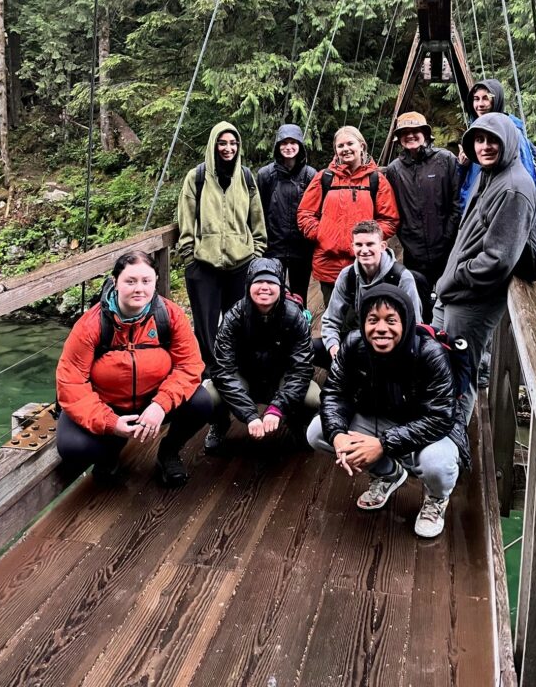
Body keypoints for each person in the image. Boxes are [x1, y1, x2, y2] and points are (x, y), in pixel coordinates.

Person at [307, 284, 470, 539]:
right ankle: (388, 473)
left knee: (437, 464)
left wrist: (383, 444)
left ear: (405, 321)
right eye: (373, 320)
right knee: (318, 431)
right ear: (363, 323)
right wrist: (338, 434)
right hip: (380, 418)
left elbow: (441, 417)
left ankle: (436, 499)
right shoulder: (353, 345)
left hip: (429, 428)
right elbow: (334, 394)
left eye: (390, 320)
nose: (381, 328)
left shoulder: (430, 353)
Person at [56, 250, 212, 487]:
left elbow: (189, 366)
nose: (139, 288)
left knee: (202, 402)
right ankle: (110, 454)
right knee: (72, 447)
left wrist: (161, 405)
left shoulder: (169, 316)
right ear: (115, 282)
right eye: (130, 281)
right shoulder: (90, 325)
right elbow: (71, 383)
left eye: (146, 281)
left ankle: (168, 453)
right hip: (107, 402)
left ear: (155, 282)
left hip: (154, 399)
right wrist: (110, 422)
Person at [434, 112, 536, 422]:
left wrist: (456, 276)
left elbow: (497, 260)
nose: (485, 146)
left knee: (459, 374)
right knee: (446, 365)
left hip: (472, 300)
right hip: (456, 292)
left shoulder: (514, 189)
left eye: (493, 140)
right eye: (479, 139)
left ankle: (452, 441)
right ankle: (438, 426)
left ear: (508, 142)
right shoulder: (488, 174)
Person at [203, 256, 319, 453]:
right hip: (244, 377)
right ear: (248, 285)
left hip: (280, 377)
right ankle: (219, 424)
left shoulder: (295, 316)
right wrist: (250, 415)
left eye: (271, 282)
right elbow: (222, 370)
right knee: (207, 395)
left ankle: (296, 422)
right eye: (259, 281)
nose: (265, 287)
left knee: (315, 398)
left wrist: (277, 408)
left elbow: (302, 370)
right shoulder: (234, 316)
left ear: (281, 287)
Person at [177, 121, 267, 370]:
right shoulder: (196, 178)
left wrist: (256, 253)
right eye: (222, 142)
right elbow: (186, 217)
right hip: (204, 263)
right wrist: (189, 257)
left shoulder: (246, 177)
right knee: (205, 323)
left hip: (241, 262)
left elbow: (257, 219)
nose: (228, 148)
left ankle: (235, 367)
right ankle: (210, 370)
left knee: (239, 319)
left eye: (233, 143)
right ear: (213, 144)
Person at [297, 125, 399, 304]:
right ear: (336, 151)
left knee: (366, 317)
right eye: (340, 146)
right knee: (334, 318)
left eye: (350, 143)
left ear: (361, 146)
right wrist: (322, 234)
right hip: (328, 263)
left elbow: (389, 219)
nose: (345, 149)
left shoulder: (376, 180)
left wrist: (369, 242)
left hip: (365, 263)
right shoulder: (324, 178)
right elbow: (305, 213)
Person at [385, 111, 462, 320]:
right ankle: (424, 342)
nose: (410, 135)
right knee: (418, 300)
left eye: (415, 131)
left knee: (448, 299)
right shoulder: (394, 169)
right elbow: (392, 209)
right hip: (413, 251)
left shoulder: (445, 160)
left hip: (446, 247)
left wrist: (448, 236)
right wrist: (406, 238)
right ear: (399, 138)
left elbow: (457, 201)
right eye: (404, 132)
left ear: (426, 134)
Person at [316, 220, 423, 367]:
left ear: (383, 246)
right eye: (359, 245)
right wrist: (334, 348)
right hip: (359, 339)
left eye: (370, 244)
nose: (364, 250)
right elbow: (330, 320)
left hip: (391, 343)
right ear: (352, 247)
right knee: (313, 348)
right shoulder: (347, 275)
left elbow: (415, 325)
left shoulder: (401, 277)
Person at [256, 123, 317, 304]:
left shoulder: (310, 175)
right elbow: (260, 209)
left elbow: (315, 211)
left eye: (293, 143)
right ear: (277, 146)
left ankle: (301, 329)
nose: (288, 147)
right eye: (284, 143)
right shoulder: (266, 175)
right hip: (274, 248)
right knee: (273, 294)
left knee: (300, 296)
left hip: (301, 248)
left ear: (300, 146)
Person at [458, 79, 536, 211]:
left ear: (496, 100)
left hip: (502, 210)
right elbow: (471, 182)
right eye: (476, 99)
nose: (480, 104)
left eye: (485, 98)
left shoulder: (512, 133)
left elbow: (527, 175)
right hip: (477, 212)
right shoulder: (475, 133)